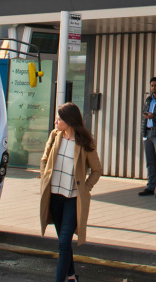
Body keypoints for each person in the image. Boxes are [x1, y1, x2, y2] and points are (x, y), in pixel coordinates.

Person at [39, 102, 102, 282]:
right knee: (64, 242)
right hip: (55, 197)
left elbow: (97, 170)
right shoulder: (55, 136)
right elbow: (44, 159)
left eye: (59, 118)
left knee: (64, 242)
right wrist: (44, 179)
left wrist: (85, 187)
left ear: (69, 120)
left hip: (72, 199)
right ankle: (72, 276)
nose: (55, 121)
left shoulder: (84, 142)